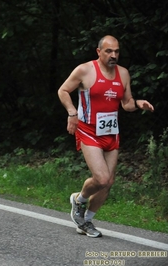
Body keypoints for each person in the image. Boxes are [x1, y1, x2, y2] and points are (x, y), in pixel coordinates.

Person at [57, 35, 154, 237]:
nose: (114, 55)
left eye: (117, 51)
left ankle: (86, 221)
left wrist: (137, 104)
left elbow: (126, 103)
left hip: (111, 132)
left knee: (108, 182)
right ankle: (79, 200)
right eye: (109, 51)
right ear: (99, 52)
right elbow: (63, 90)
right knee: (100, 178)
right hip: (88, 130)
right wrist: (72, 113)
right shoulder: (85, 70)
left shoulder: (124, 74)